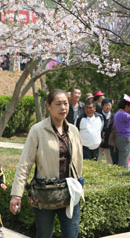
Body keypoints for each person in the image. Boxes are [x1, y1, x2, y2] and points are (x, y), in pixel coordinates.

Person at [9, 89, 83, 238]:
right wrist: (16, 194)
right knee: (44, 235)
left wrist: (79, 187)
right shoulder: (37, 130)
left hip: (69, 193)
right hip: (45, 195)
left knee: (71, 235)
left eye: (65, 103)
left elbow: (79, 162)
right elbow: (25, 163)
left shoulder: (73, 131)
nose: (63, 108)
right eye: (58, 104)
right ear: (48, 106)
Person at [114, 97, 130, 168]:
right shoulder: (123, 114)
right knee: (124, 161)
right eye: (128, 105)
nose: (129, 107)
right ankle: (122, 175)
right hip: (125, 138)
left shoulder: (117, 114)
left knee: (122, 158)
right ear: (125, 105)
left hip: (120, 137)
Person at [98, 98, 114, 164]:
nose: (108, 107)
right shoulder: (98, 115)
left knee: (110, 161)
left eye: (109, 105)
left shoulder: (113, 116)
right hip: (99, 141)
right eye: (106, 105)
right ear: (102, 106)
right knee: (97, 160)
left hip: (109, 141)